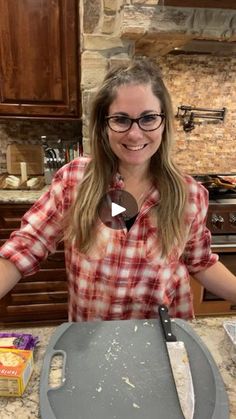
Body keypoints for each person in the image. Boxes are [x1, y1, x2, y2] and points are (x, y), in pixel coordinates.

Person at [0, 58, 236, 321]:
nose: (135, 134)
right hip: (94, 337)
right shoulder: (74, 180)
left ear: (164, 122)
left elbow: (200, 263)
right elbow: (26, 246)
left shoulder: (189, 194)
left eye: (148, 118)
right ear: (104, 125)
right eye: (121, 119)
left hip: (162, 337)